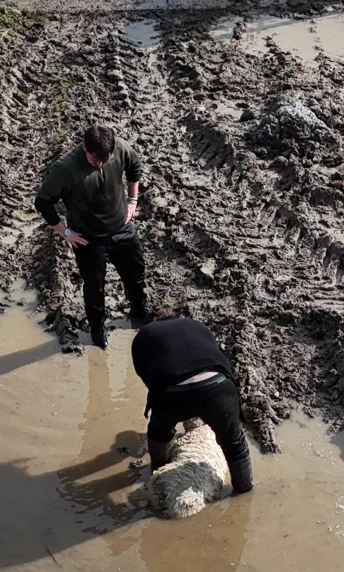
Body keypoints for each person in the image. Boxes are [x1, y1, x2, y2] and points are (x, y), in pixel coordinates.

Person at [34, 124, 147, 349]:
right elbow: (43, 201)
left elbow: (134, 167)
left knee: (135, 275)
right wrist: (64, 232)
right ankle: (97, 329)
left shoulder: (120, 148)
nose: (101, 164)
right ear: (85, 147)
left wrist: (132, 201)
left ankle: (139, 312)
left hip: (121, 228)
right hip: (89, 238)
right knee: (95, 288)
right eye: (96, 161)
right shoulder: (65, 169)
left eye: (105, 160)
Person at [131, 310, 253, 494]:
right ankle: (244, 490)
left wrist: (164, 405)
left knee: (158, 432)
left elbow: (147, 377)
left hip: (173, 391)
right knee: (233, 441)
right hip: (219, 387)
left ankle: (158, 477)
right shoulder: (197, 325)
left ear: (153, 321)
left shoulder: (145, 334)